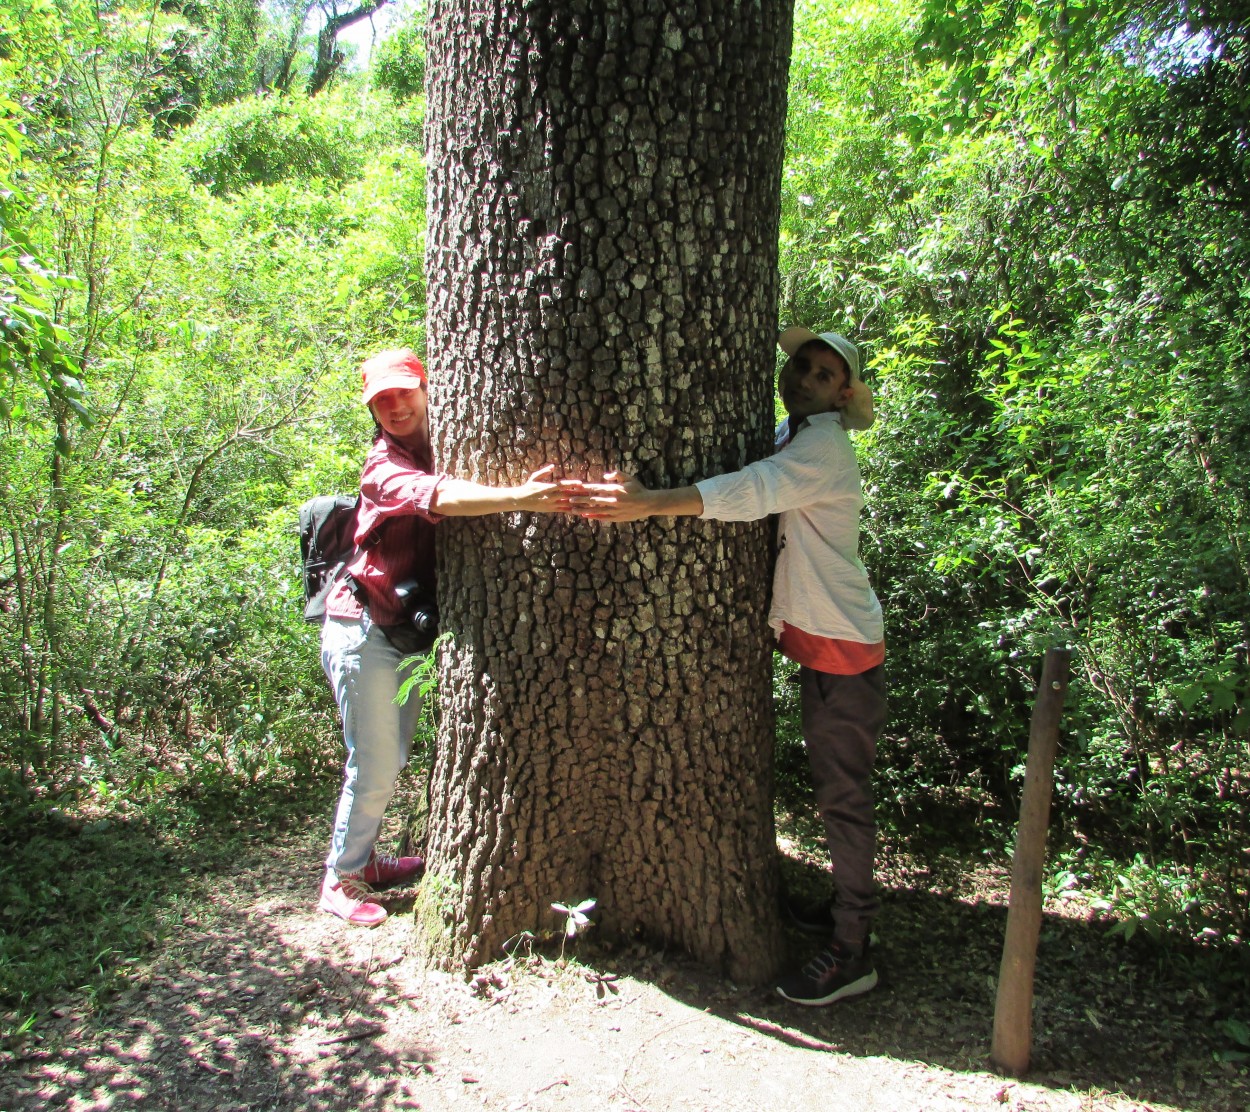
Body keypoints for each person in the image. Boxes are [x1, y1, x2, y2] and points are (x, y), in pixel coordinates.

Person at [571, 327, 887, 1005]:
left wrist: (649, 502)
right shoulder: (790, 431)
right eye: (802, 364)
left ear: (843, 394)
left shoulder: (822, 446)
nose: (805, 377)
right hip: (821, 639)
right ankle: (841, 915)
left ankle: (853, 948)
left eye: (825, 374)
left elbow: (756, 490)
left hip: (842, 645)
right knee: (837, 792)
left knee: (843, 798)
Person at [319, 347, 571, 927]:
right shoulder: (381, 467)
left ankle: (370, 861)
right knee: (377, 760)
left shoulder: (452, 438)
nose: (395, 406)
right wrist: (518, 499)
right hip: (363, 628)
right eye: (381, 400)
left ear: (428, 387)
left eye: (404, 391)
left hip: (397, 629)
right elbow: (439, 496)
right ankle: (341, 877)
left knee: (391, 754)